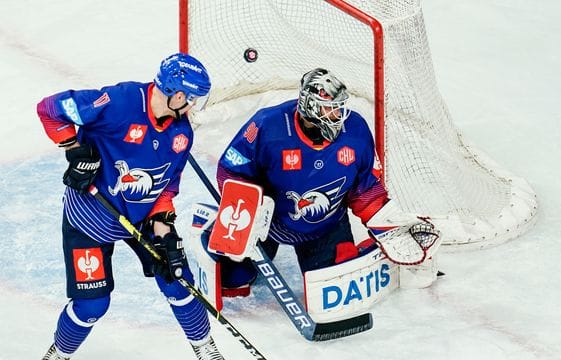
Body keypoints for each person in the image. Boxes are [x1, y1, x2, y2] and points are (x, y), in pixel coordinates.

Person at [37, 53, 224, 360]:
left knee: (178, 280)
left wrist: (164, 232)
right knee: (93, 306)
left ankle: (206, 351)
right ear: (177, 95)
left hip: (140, 219)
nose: (193, 108)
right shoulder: (119, 103)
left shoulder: (181, 134)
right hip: (90, 218)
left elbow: (165, 188)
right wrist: (74, 149)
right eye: (192, 100)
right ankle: (57, 355)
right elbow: (48, 110)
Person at [210, 67, 440, 296]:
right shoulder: (267, 125)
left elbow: (365, 188)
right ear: (310, 106)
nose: (338, 115)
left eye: (339, 108)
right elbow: (231, 169)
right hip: (268, 223)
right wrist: (249, 212)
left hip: (326, 227)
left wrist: (387, 225)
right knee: (231, 280)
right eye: (330, 109)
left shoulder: (356, 129)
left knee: (337, 285)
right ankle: (216, 242)